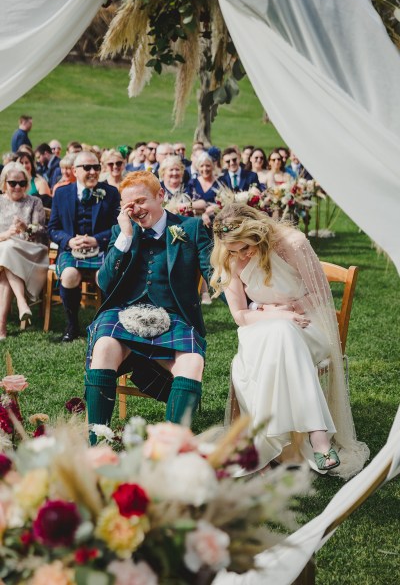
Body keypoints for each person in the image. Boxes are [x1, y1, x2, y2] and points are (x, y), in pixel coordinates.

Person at [210, 203, 369, 479]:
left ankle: (263, 450)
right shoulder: (229, 256)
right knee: (280, 334)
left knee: (284, 335)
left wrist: (291, 313)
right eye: (234, 251)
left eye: (245, 248)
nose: (240, 255)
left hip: (308, 324)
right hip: (260, 328)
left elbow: (320, 294)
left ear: (258, 233)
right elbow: (240, 315)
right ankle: (318, 435)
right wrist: (275, 314)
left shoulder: (292, 244)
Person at [84, 170, 211, 443]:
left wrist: (251, 298)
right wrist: (126, 236)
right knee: (104, 346)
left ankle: (171, 447)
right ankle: (96, 442)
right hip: (122, 313)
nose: (137, 210)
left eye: (142, 201)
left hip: (174, 316)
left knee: (192, 361)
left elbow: (214, 271)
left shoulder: (190, 228)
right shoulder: (122, 231)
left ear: (161, 196)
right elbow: (105, 282)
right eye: (129, 205)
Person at [48, 151, 120, 342]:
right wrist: (69, 241)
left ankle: (105, 325)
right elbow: (53, 228)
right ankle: (72, 326)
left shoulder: (111, 193)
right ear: (75, 170)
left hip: (101, 249)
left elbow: (118, 227)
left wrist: (97, 239)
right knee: (70, 275)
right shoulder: (62, 193)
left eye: (96, 167)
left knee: (104, 276)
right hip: (72, 249)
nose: (92, 172)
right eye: (87, 168)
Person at [0, 162, 48, 340]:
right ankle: (21, 304)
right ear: (5, 183)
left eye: (21, 183)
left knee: (7, 253)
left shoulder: (34, 202)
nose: (17, 187)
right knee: (6, 255)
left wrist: (25, 228)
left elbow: (42, 231)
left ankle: (2, 328)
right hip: (5, 253)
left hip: (30, 253)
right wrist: (7, 234)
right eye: (13, 183)